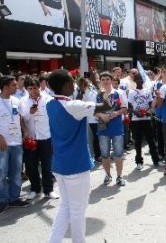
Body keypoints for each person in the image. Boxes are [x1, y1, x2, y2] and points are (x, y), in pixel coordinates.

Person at [46, 69, 111, 243]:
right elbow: (106, 106)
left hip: (60, 164)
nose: (74, 84)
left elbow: (79, 107)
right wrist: (100, 87)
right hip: (75, 165)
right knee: (78, 210)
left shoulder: (50, 104)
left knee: (66, 207)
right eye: (72, 81)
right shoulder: (72, 105)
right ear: (67, 85)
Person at [0, 75, 30, 216]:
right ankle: (2, 201)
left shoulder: (16, 101)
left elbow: (19, 117)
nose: (17, 87)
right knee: (1, 174)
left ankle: (14, 198)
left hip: (17, 143)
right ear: (6, 87)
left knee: (16, 173)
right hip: (0, 145)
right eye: (14, 85)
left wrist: (25, 130)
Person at [20, 77, 58, 200]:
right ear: (26, 89)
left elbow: (54, 118)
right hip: (31, 138)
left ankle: (48, 190)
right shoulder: (23, 101)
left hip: (45, 136)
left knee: (47, 165)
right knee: (31, 165)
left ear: (39, 87)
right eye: (30, 88)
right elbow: (21, 119)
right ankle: (34, 189)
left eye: (35, 88)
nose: (33, 91)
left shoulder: (48, 99)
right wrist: (29, 113)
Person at [95, 71, 128, 186]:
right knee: (104, 154)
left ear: (111, 80)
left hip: (117, 128)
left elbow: (124, 108)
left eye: (107, 79)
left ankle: (119, 176)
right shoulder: (97, 95)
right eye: (103, 79)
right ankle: (108, 175)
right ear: (101, 81)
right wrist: (101, 115)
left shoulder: (118, 93)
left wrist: (117, 113)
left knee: (119, 153)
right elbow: (94, 111)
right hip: (103, 128)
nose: (105, 81)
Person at [128, 73, 159, 169]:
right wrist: (135, 112)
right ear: (134, 80)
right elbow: (129, 107)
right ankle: (139, 162)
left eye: (141, 79)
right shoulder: (131, 92)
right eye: (137, 79)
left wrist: (149, 111)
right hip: (136, 120)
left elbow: (151, 103)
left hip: (146, 119)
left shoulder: (147, 91)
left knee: (151, 140)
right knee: (138, 141)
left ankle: (156, 160)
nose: (139, 80)